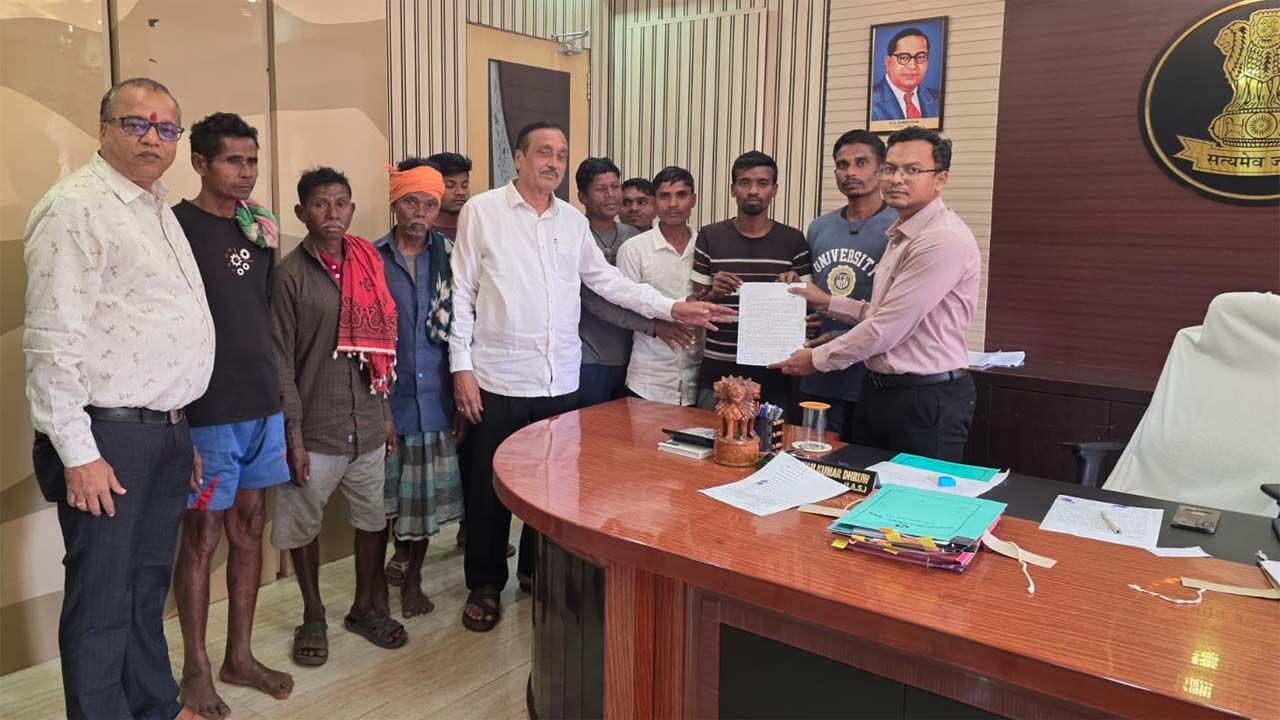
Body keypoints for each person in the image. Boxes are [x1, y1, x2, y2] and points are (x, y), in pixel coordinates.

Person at [449, 121, 733, 631]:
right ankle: (486, 585)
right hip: (498, 376)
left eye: (560, 154)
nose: (553, 162)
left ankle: (538, 572)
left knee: (552, 487)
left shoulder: (572, 222)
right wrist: (461, 367)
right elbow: (461, 293)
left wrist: (672, 307)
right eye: (543, 152)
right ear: (519, 158)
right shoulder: (482, 212)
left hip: (560, 379)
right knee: (489, 488)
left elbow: (607, 282)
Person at [24, 77, 215, 720]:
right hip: (105, 437)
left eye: (166, 128)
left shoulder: (155, 207)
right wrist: (78, 455)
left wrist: (176, 427)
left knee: (144, 588)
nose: (152, 138)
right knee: (103, 599)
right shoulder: (76, 207)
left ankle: (155, 706)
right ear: (103, 128)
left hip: (161, 431)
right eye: (136, 123)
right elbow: (51, 343)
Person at [171, 113, 293, 719]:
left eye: (252, 161)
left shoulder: (258, 228)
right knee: (202, 538)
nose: (246, 172)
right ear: (200, 163)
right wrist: (179, 421)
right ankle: (195, 670)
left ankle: (238, 657)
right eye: (233, 161)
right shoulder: (173, 228)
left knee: (250, 529)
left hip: (262, 405)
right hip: (207, 411)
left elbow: (261, 316)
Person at [771, 127, 979, 462]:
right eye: (890, 169)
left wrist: (815, 359)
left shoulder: (941, 239)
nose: (896, 179)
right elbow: (879, 312)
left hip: (925, 399)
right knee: (860, 485)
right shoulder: (901, 233)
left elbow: (887, 327)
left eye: (912, 170)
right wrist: (827, 302)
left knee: (913, 494)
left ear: (940, 179)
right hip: (881, 391)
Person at [271, 167, 407, 667]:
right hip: (315, 429)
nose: (333, 214)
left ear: (351, 208)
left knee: (372, 521)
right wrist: (293, 436)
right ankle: (313, 615)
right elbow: (281, 363)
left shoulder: (368, 262)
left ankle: (365, 606)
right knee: (302, 527)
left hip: (367, 423)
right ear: (301, 212)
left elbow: (381, 350)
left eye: (341, 203)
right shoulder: (289, 275)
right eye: (321, 204)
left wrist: (385, 412)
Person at [374, 159, 465, 618]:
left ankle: (413, 581)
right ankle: (376, 585)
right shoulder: (371, 258)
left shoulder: (451, 257)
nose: (420, 213)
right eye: (411, 202)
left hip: (435, 401)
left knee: (423, 501)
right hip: (387, 401)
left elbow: (465, 327)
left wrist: (461, 399)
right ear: (395, 203)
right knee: (383, 502)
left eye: (429, 204)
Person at [690, 150, 812, 409]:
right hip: (719, 368)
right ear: (733, 189)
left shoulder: (793, 240)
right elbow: (694, 306)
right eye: (744, 182)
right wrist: (714, 293)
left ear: (774, 189)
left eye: (762, 183)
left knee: (773, 435)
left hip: (775, 369)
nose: (753, 190)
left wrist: (794, 289)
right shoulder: (710, 236)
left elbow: (809, 308)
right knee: (711, 433)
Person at [795, 131, 894, 439]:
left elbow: (895, 313)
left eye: (861, 163)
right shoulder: (819, 227)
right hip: (820, 373)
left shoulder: (898, 227)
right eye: (842, 165)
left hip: (872, 373)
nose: (850, 172)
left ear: (881, 169)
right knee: (814, 455)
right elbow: (812, 289)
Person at [576, 157, 680, 407]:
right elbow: (593, 300)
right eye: (601, 189)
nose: (611, 195)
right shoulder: (575, 235)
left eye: (615, 186)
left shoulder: (631, 237)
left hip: (633, 359)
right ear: (582, 197)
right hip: (590, 358)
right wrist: (653, 326)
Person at [618, 166, 701, 406]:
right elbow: (623, 306)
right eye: (665, 196)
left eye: (681, 195)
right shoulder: (634, 249)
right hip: (649, 381)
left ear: (693, 200)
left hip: (698, 380)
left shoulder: (706, 247)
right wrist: (655, 326)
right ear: (655, 202)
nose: (673, 204)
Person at [870, 27, 941, 122]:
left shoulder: (937, 99)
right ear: (888, 62)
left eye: (920, 57)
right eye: (903, 58)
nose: (912, 66)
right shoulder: (871, 102)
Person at [424, 152, 471, 244]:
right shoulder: (421, 233)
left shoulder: (477, 228)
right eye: (450, 186)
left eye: (464, 185)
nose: (460, 192)